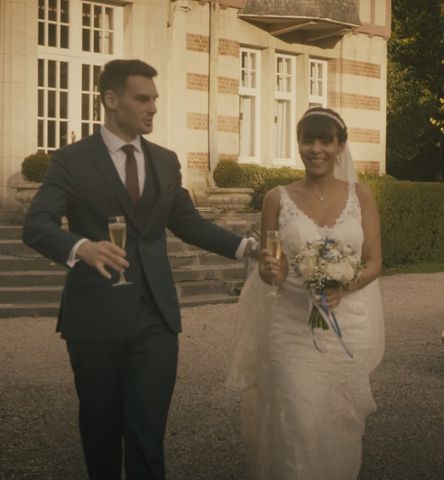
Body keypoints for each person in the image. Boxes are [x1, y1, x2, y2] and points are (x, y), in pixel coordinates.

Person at [23, 59, 255, 480]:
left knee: (148, 434)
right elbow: (36, 226)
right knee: (101, 431)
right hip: (94, 320)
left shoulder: (165, 161)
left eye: (154, 100)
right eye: (142, 99)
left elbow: (187, 222)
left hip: (156, 318)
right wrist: (81, 246)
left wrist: (246, 247)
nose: (152, 108)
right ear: (111, 100)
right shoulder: (71, 161)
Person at [226, 107, 385, 479]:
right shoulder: (276, 199)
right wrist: (271, 270)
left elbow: (374, 262)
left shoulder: (361, 196)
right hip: (291, 328)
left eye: (325, 140)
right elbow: (272, 270)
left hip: (347, 329)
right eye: (307, 140)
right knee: (296, 420)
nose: (315, 149)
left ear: (340, 147)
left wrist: (344, 287)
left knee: (341, 425)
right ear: (298, 144)